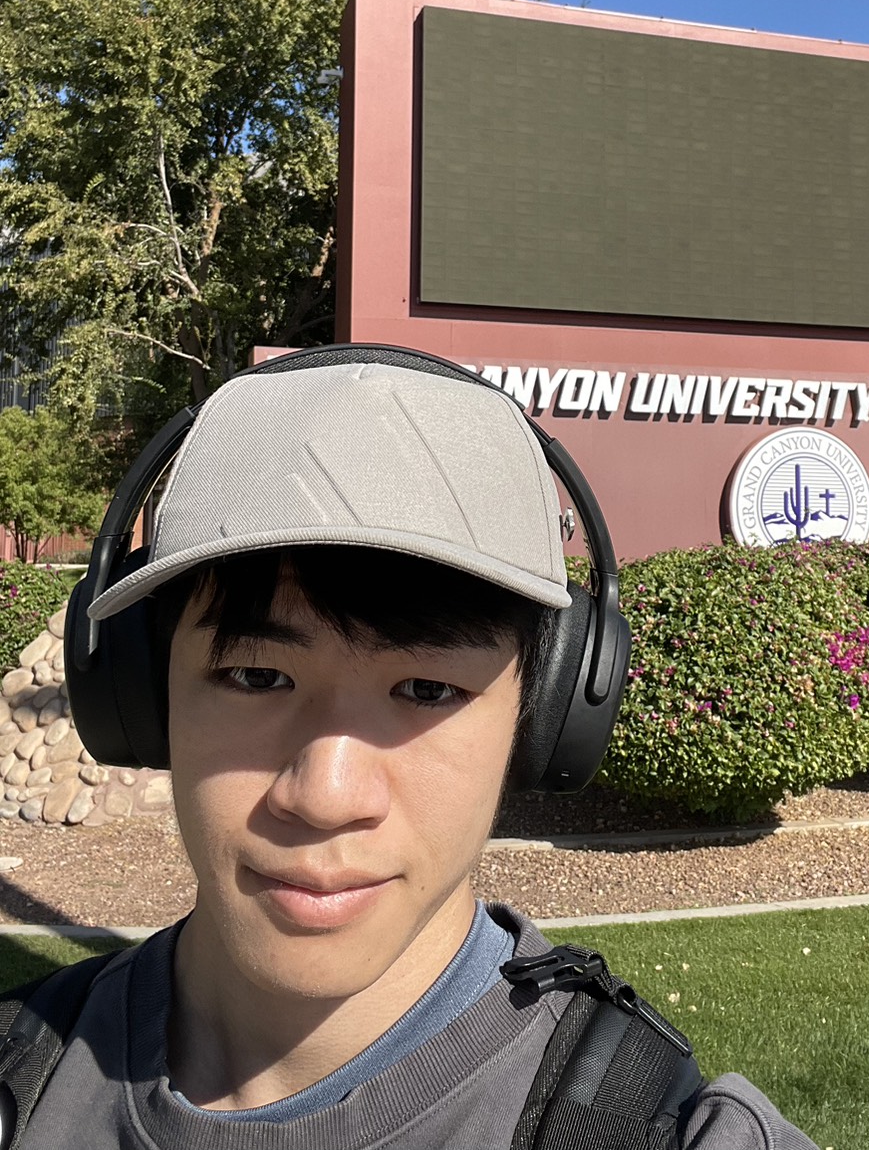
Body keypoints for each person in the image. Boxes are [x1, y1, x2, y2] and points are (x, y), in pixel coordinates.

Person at [18, 350, 819, 1149]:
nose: (326, 794)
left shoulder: (656, 1132)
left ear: (540, 720)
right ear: (143, 694)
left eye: (429, 689)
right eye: (257, 674)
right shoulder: (20, 1074)